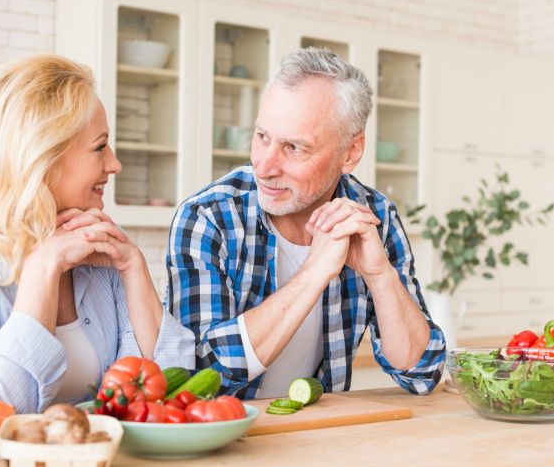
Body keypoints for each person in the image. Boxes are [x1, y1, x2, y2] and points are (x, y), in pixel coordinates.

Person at [0, 54, 195, 413]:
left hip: (96, 463)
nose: (115, 164)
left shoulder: (94, 242)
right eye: (100, 147)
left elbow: (170, 387)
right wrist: (42, 268)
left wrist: (134, 268)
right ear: (42, 158)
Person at [166, 47, 445, 399]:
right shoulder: (209, 216)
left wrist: (380, 275)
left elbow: (422, 372)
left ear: (350, 153)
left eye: (294, 147)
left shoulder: (374, 217)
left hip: (315, 434)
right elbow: (201, 377)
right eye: (262, 136)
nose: (264, 167)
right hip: (221, 435)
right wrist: (314, 272)